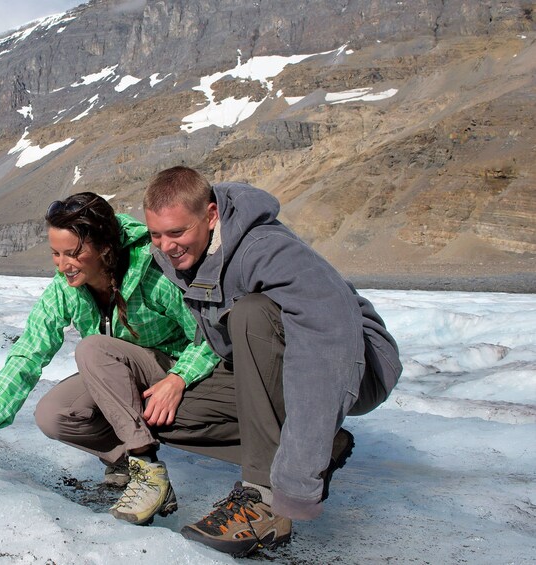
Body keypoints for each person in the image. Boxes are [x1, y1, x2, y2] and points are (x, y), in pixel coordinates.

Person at [142, 166, 402, 557]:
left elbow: (327, 345)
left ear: (211, 216)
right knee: (157, 415)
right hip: (273, 358)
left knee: (252, 313)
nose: (166, 245)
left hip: (358, 363)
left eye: (177, 233)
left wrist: (295, 485)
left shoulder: (264, 249)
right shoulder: (182, 253)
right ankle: (324, 446)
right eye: (156, 235)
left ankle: (263, 500)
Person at [0, 191, 222, 526]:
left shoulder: (153, 274)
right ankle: (127, 460)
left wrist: (178, 377)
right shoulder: (65, 289)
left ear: (104, 248)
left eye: (74, 253)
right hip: (120, 374)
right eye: (55, 253)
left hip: (174, 374)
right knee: (54, 414)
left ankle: (148, 471)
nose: (63, 264)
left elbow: (207, 335)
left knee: (92, 348)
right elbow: (27, 354)